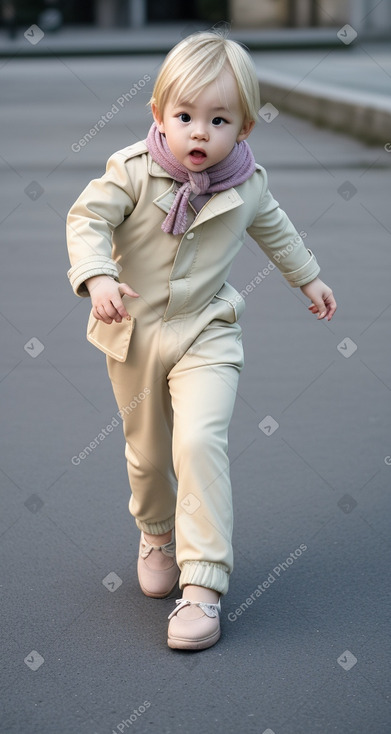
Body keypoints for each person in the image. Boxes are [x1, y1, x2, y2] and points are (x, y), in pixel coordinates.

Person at [66, 30, 337, 651]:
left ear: (243, 128)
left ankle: (204, 585)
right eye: (184, 116)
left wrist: (310, 278)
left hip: (206, 332)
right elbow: (87, 219)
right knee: (149, 453)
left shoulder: (248, 184)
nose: (198, 133)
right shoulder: (132, 172)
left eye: (218, 120)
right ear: (158, 114)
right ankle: (158, 532)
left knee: (198, 439)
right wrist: (98, 274)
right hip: (133, 335)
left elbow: (278, 230)